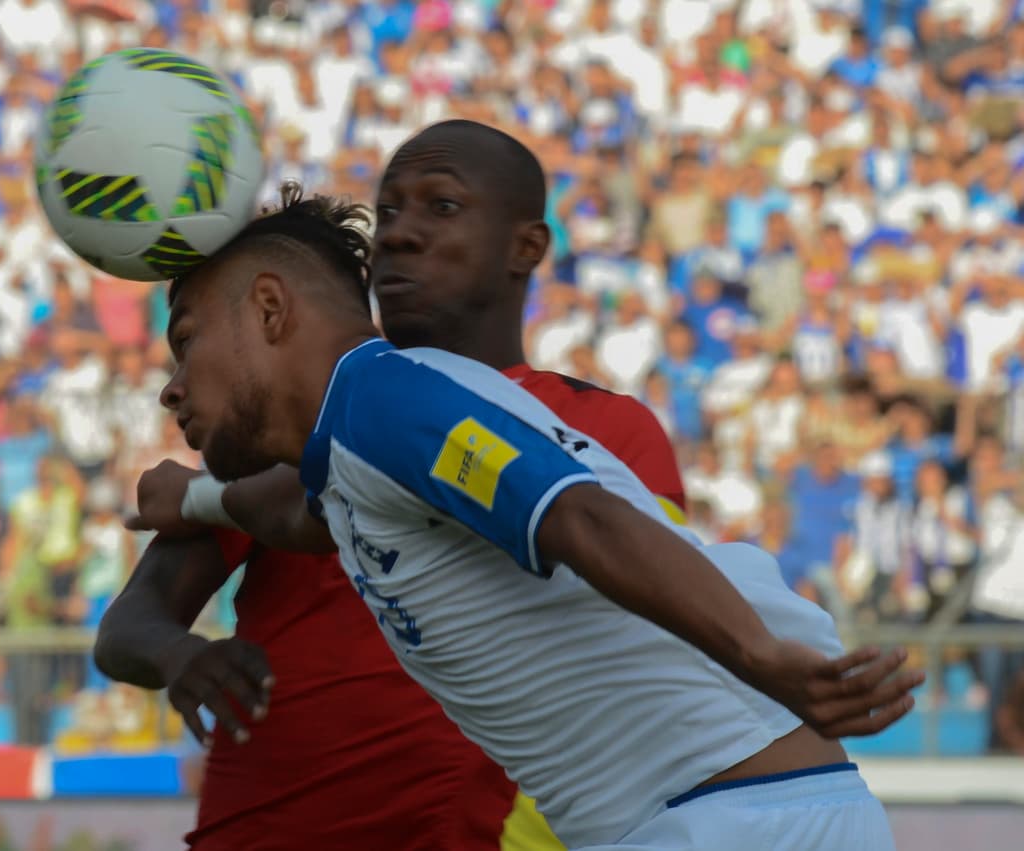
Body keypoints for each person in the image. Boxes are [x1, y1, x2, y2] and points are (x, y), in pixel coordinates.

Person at [132, 181, 924, 850]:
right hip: (716, 812)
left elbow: (580, 518)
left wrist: (766, 658)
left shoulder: (384, 403)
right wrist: (194, 497)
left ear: (270, 309)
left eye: (187, 339)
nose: (172, 386)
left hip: (731, 819)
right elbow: (301, 511)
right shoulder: (365, 440)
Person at [98, 120, 686, 850]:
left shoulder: (606, 431)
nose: (398, 235)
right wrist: (178, 654)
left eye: (440, 207)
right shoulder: (281, 430)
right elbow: (128, 622)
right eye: (390, 212)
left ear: (526, 246)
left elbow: (649, 650)